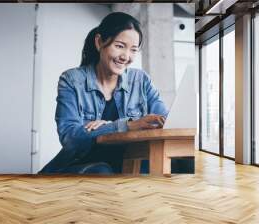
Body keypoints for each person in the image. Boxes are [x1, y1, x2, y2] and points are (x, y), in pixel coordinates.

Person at [39, 12, 168, 174]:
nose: (126, 56)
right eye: (120, 46)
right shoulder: (72, 80)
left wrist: (108, 125)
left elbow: (165, 122)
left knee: (178, 164)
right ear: (99, 42)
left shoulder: (141, 80)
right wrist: (127, 125)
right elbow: (70, 138)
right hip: (83, 165)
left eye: (133, 50)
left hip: (132, 161)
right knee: (102, 171)